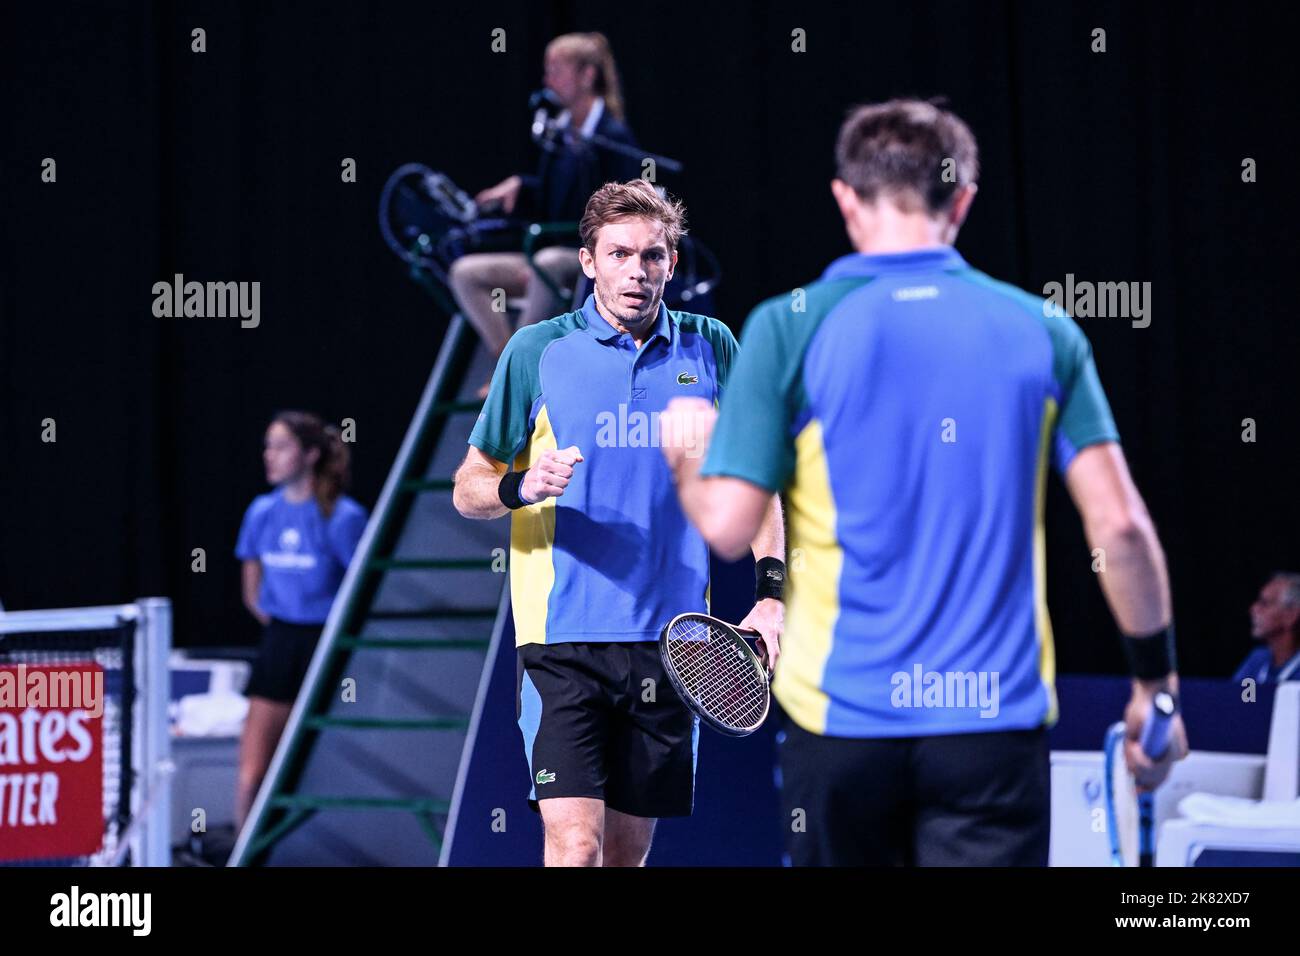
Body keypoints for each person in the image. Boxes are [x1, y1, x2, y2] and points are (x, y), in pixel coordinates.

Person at [660, 99, 1188, 866]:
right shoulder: (1042, 330)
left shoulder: (790, 325)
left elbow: (729, 526)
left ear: (845, 199)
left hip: (841, 734)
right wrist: (1155, 684)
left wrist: (686, 447)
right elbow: (1124, 531)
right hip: (989, 735)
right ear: (963, 200)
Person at [452, 180, 785, 866]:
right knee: (574, 845)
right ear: (587, 261)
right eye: (621, 254)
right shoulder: (535, 352)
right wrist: (521, 485)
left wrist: (773, 592)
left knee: (624, 858)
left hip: (674, 644)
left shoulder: (713, 348)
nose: (638, 271)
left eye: (654, 256)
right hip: (560, 643)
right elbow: (467, 489)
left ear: (671, 262)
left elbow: (757, 482)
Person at [451, 32, 642, 395]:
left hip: (589, 256)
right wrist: (519, 187)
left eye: (557, 70)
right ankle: (512, 362)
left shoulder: (613, 138)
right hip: (546, 252)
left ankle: (517, 374)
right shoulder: (558, 134)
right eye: (547, 70)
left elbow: (620, 216)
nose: (548, 80)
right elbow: (548, 196)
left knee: (548, 261)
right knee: (465, 273)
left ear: (586, 76)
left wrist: (540, 253)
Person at [233, 410, 368, 830]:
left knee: (307, 771)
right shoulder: (260, 511)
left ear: (310, 454)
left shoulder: (344, 518)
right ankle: (243, 848)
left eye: (281, 446)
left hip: (325, 649)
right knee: (252, 774)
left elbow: (362, 589)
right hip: (279, 645)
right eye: (267, 446)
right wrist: (278, 622)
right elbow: (252, 585)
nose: (269, 455)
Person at [1232, 572, 1300, 683]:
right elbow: (1239, 699)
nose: (1253, 609)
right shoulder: (1257, 660)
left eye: (1264, 603)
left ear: (1291, 615)